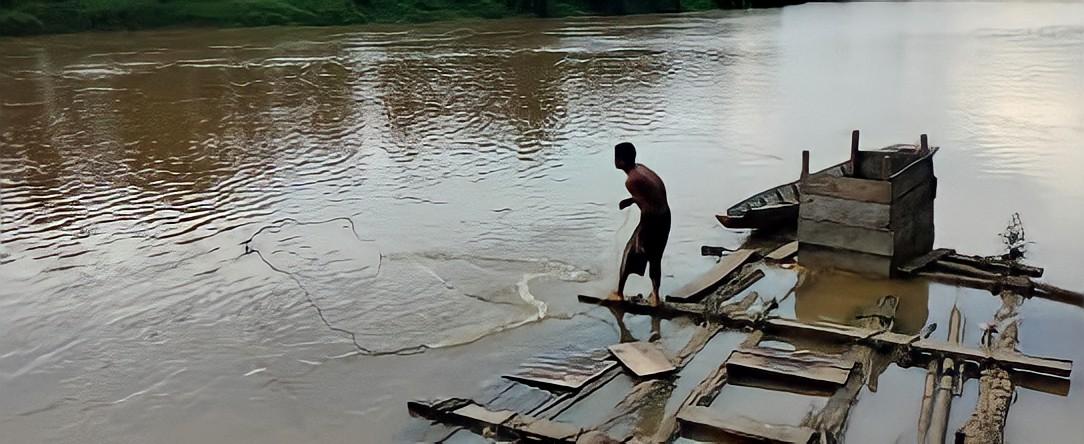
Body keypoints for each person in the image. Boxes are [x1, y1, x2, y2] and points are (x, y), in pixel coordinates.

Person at [611, 142, 670, 306]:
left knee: (629, 252)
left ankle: (619, 293)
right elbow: (651, 195)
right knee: (655, 258)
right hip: (665, 216)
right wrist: (632, 200)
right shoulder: (641, 169)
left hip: (652, 220)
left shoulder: (631, 181)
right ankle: (656, 297)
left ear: (620, 161)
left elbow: (647, 207)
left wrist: (642, 234)